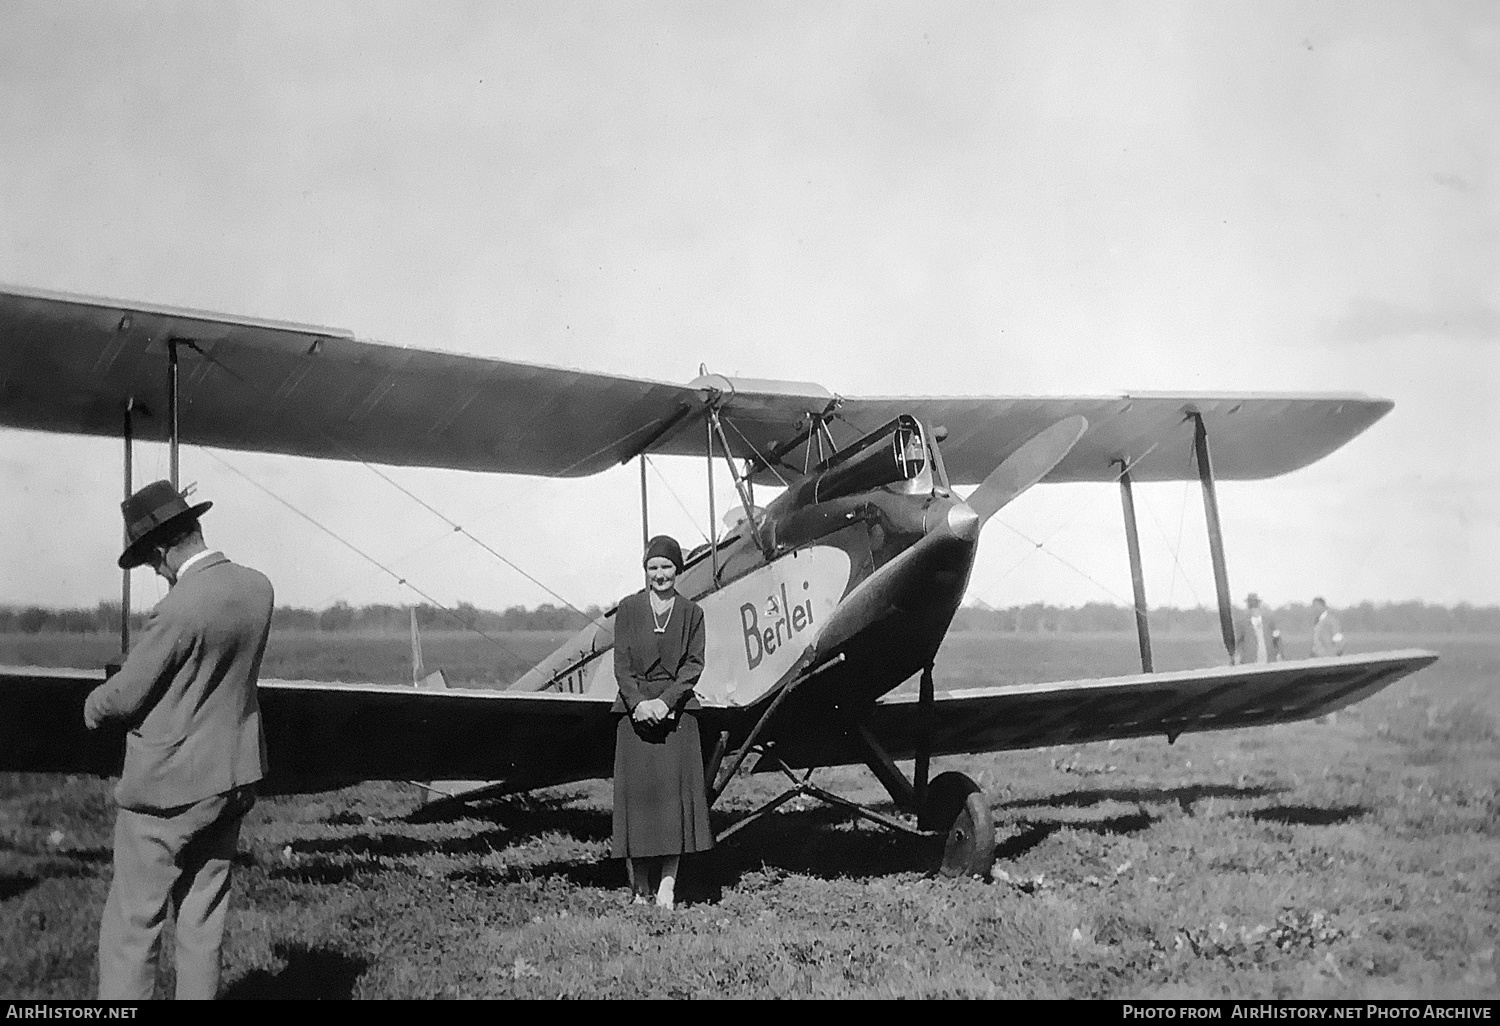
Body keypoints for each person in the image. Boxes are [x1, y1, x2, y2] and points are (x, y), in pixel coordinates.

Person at [84, 480, 274, 999]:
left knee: (133, 928)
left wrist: (91, 705)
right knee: (202, 922)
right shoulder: (259, 587)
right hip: (232, 778)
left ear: (163, 549)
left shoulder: (177, 609)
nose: (156, 571)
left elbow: (123, 698)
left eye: (151, 561)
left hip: (166, 794)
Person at [611, 534, 713, 910]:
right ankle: (639, 886)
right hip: (634, 715)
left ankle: (667, 886)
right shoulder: (627, 609)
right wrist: (639, 703)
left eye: (667, 567)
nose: (660, 574)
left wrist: (666, 702)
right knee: (637, 803)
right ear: (645, 571)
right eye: (653, 567)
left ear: (678, 569)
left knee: (674, 805)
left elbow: (693, 665)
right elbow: (621, 664)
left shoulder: (692, 613)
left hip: (677, 715)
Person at [1233, 593, 1282, 664]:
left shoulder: (1269, 622)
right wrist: (1237, 657)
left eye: (1255, 604)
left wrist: (1279, 654)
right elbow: (1238, 642)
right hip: (1250, 661)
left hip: (1269, 660)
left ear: (1259, 605)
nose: (1253, 608)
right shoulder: (1242, 624)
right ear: (1248, 607)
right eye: (1251, 605)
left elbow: (1277, 639)